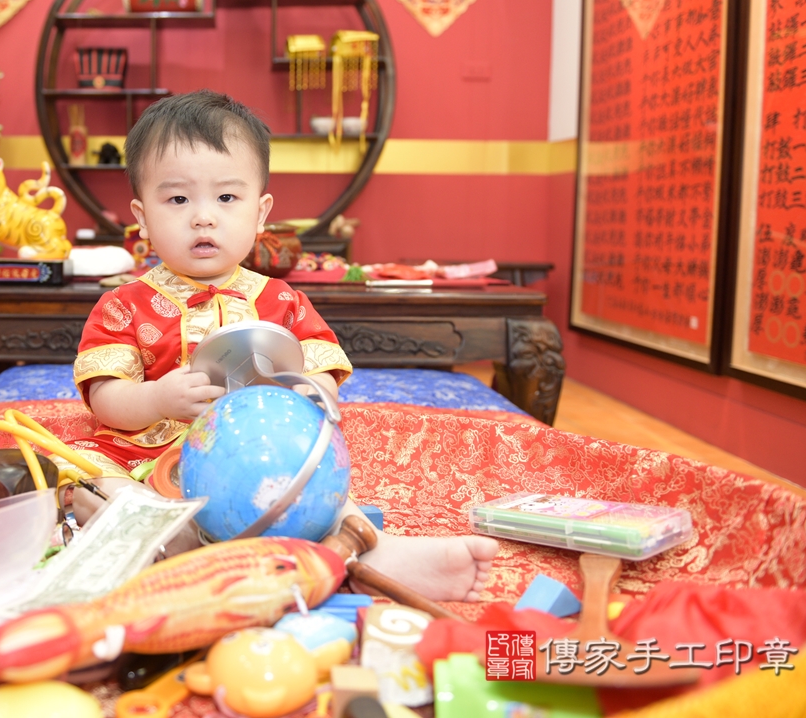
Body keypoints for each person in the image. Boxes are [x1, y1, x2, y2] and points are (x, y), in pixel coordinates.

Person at [70, 90, 497, 603]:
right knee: (86, 483)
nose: (203, 217)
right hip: (150, 462)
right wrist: (156, 399)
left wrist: (312, 392)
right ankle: (175, 540)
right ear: (142, 217)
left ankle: (376, 552)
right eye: (178, 200)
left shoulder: (282, 301)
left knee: (320, 478)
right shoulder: (122, 305)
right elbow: (104, 398)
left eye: (227, 198)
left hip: (262, 454)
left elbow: (321, 371)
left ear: (260, 212)